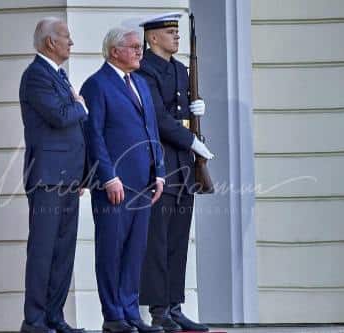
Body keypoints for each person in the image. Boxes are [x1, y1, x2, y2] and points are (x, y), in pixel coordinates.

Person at [80, 27, 166, 333]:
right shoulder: (96, 85)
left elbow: (151, 129)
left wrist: (160, 172)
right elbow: (94, 135)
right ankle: (113, 316)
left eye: (139, 47)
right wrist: (108, 177)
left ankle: (131, 313)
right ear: (114, 51)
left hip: (144, 182)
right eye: (133, 47)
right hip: (114, 184)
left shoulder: (140, 83)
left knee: (135, 251)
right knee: (111, 249)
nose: (139, 51)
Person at [135, 12, 214, 333]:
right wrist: (193, 140)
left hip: (183, 165)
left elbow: (181, 113)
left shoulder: (181, 69)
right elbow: (158, 117)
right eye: (170, 32)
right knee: (158, 241)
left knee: (178, 240)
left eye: (178, 33)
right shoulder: (146, 70)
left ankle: (175, 306)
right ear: (153, 38)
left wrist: (196, 118)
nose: (176, 37)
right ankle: (158, 311)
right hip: (162, 162)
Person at [19, 17, 88, 333]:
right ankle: (34, 320)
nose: (71, 43)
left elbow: (73, 127)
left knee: (63, 252)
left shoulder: (58, 76)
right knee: (43, 250)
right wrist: (81, 106)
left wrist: (83, 175)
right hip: (47, 177)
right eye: (66, 37)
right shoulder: (36, 76)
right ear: (50, 42)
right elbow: (61, 117)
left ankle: (54, 317)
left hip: (68, 178)